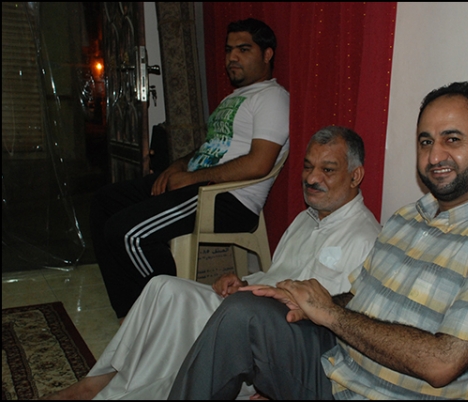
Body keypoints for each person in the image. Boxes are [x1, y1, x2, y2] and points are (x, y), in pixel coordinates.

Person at [167, 81, 468, 400]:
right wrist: (307, 302)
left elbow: (443, 363)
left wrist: (331, 314)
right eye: (426, 141)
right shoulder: (407, 219)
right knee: (244, 311)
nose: (435, 155)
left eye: (453, 140)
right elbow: (359, 300)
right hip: (340, 375)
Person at [42, 125, 381, 400]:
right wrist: (243, 282)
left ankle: (114, 391)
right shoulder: (307, 219)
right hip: (251, 302)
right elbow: (276, 275)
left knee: (176, 332)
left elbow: (337, 327)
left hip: (272, 333)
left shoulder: (364, 237)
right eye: (308, 166)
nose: (311, 178)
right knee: (162, 288)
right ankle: (99, 382)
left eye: (327, 170)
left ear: (355, 176)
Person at [90, 18, 290, 321]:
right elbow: (210, 148)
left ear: (267, 54)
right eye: (229, 50)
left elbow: (259, 163)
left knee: (128, 233)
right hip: (200, 185)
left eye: (243, 49)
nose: (232, 57)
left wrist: (192, 178)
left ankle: (170, 311)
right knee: (104, 202)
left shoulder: (272, 98)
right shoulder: (235, 97)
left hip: (227, 200)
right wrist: (178, 166)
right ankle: (129, 311)